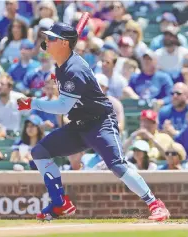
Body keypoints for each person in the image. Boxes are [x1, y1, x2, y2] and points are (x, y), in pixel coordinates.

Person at [17, 21, 170, 221]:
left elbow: (63, 107)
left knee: (117, 165)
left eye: (51, 38)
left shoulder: (74, 69)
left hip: (100, 123)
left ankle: (155, 204)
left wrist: (32, 103)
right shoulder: (63, 63)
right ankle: (59, 203)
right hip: (79, 126)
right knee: (40, 152)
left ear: (64, 43)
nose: (46, 41)